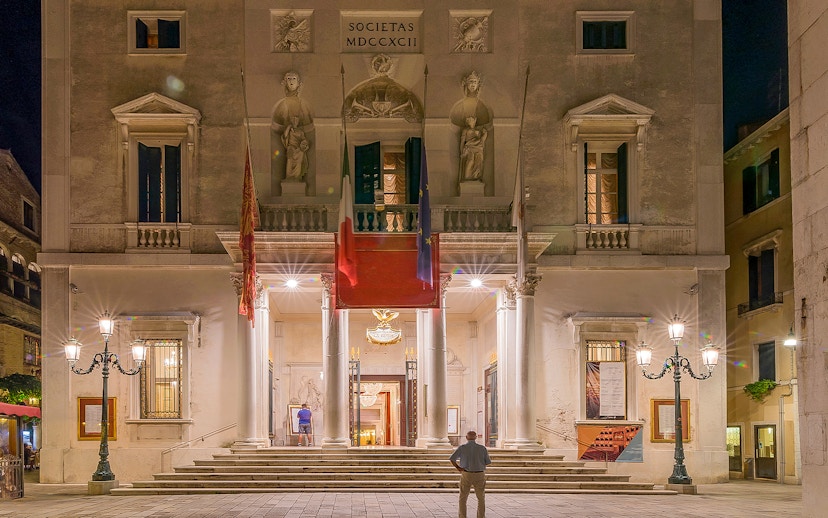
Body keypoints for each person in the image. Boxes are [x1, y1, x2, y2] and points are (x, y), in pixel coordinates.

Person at [449, 430, 491, 518]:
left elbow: (452, 459)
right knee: (481, 498)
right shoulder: (482, 448)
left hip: (466, 473)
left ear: (466, 437)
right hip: (479, 474)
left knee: (463, 498)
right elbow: (487, 462)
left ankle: (462, 516)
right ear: (476, 437)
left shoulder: (462, 448)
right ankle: (481, 516)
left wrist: (458, 467)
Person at [460, 116, 487, 181]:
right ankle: (467, 177)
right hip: (469, 147)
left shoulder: (479, 130)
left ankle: (476, 177)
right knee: (470, 161)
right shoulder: (465, 130)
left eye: (472, 120)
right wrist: (461, 151)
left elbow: (482, 140)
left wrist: (485, 134)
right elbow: (462, 141)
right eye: (470, 120)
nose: (471, 122)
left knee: (478, 163)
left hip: (478, 147)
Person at [282, 115, 309, 180]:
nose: (294, 122)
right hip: (291, 147)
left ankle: (297, 177)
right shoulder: (289, 131)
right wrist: (288, 128)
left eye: (296, 121)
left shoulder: (300, 132)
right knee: (289, 159)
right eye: (293, 121)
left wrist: (304, 144)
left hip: (298, 149)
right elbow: (285, 136)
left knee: (300, 157)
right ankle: (289, 177)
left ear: (297, 122)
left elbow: (304, 140)